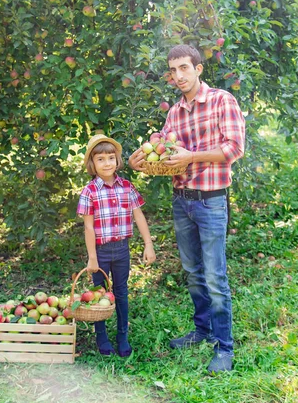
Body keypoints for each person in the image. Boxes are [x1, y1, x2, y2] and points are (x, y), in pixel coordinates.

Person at [129, 45, 245, 373]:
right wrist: (141, 158)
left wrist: (191, 156)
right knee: (194, 273)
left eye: (183, 68)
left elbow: (234, 147)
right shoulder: (174, 113)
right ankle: (203, 331)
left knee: (214, 276)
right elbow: (163, 150)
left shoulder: (223, 100)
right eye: (173, 71)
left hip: (211, 200)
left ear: (198, 69)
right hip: (182, 201)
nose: (178, 76)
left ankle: (224, 348)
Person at [77, 134, 156, 357]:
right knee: (98, 294)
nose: (107, 163)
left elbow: (139, 216)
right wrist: (92, 257)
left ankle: (122, 336)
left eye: (111, 158)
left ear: (117, 160)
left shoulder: (126, 187)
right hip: (100, 252)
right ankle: (101, 337)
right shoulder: (89, 191)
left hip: (122, 249)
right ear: (92, 163)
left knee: (121, 292)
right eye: (100, 159)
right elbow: (89, 228)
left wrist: (148, 244)